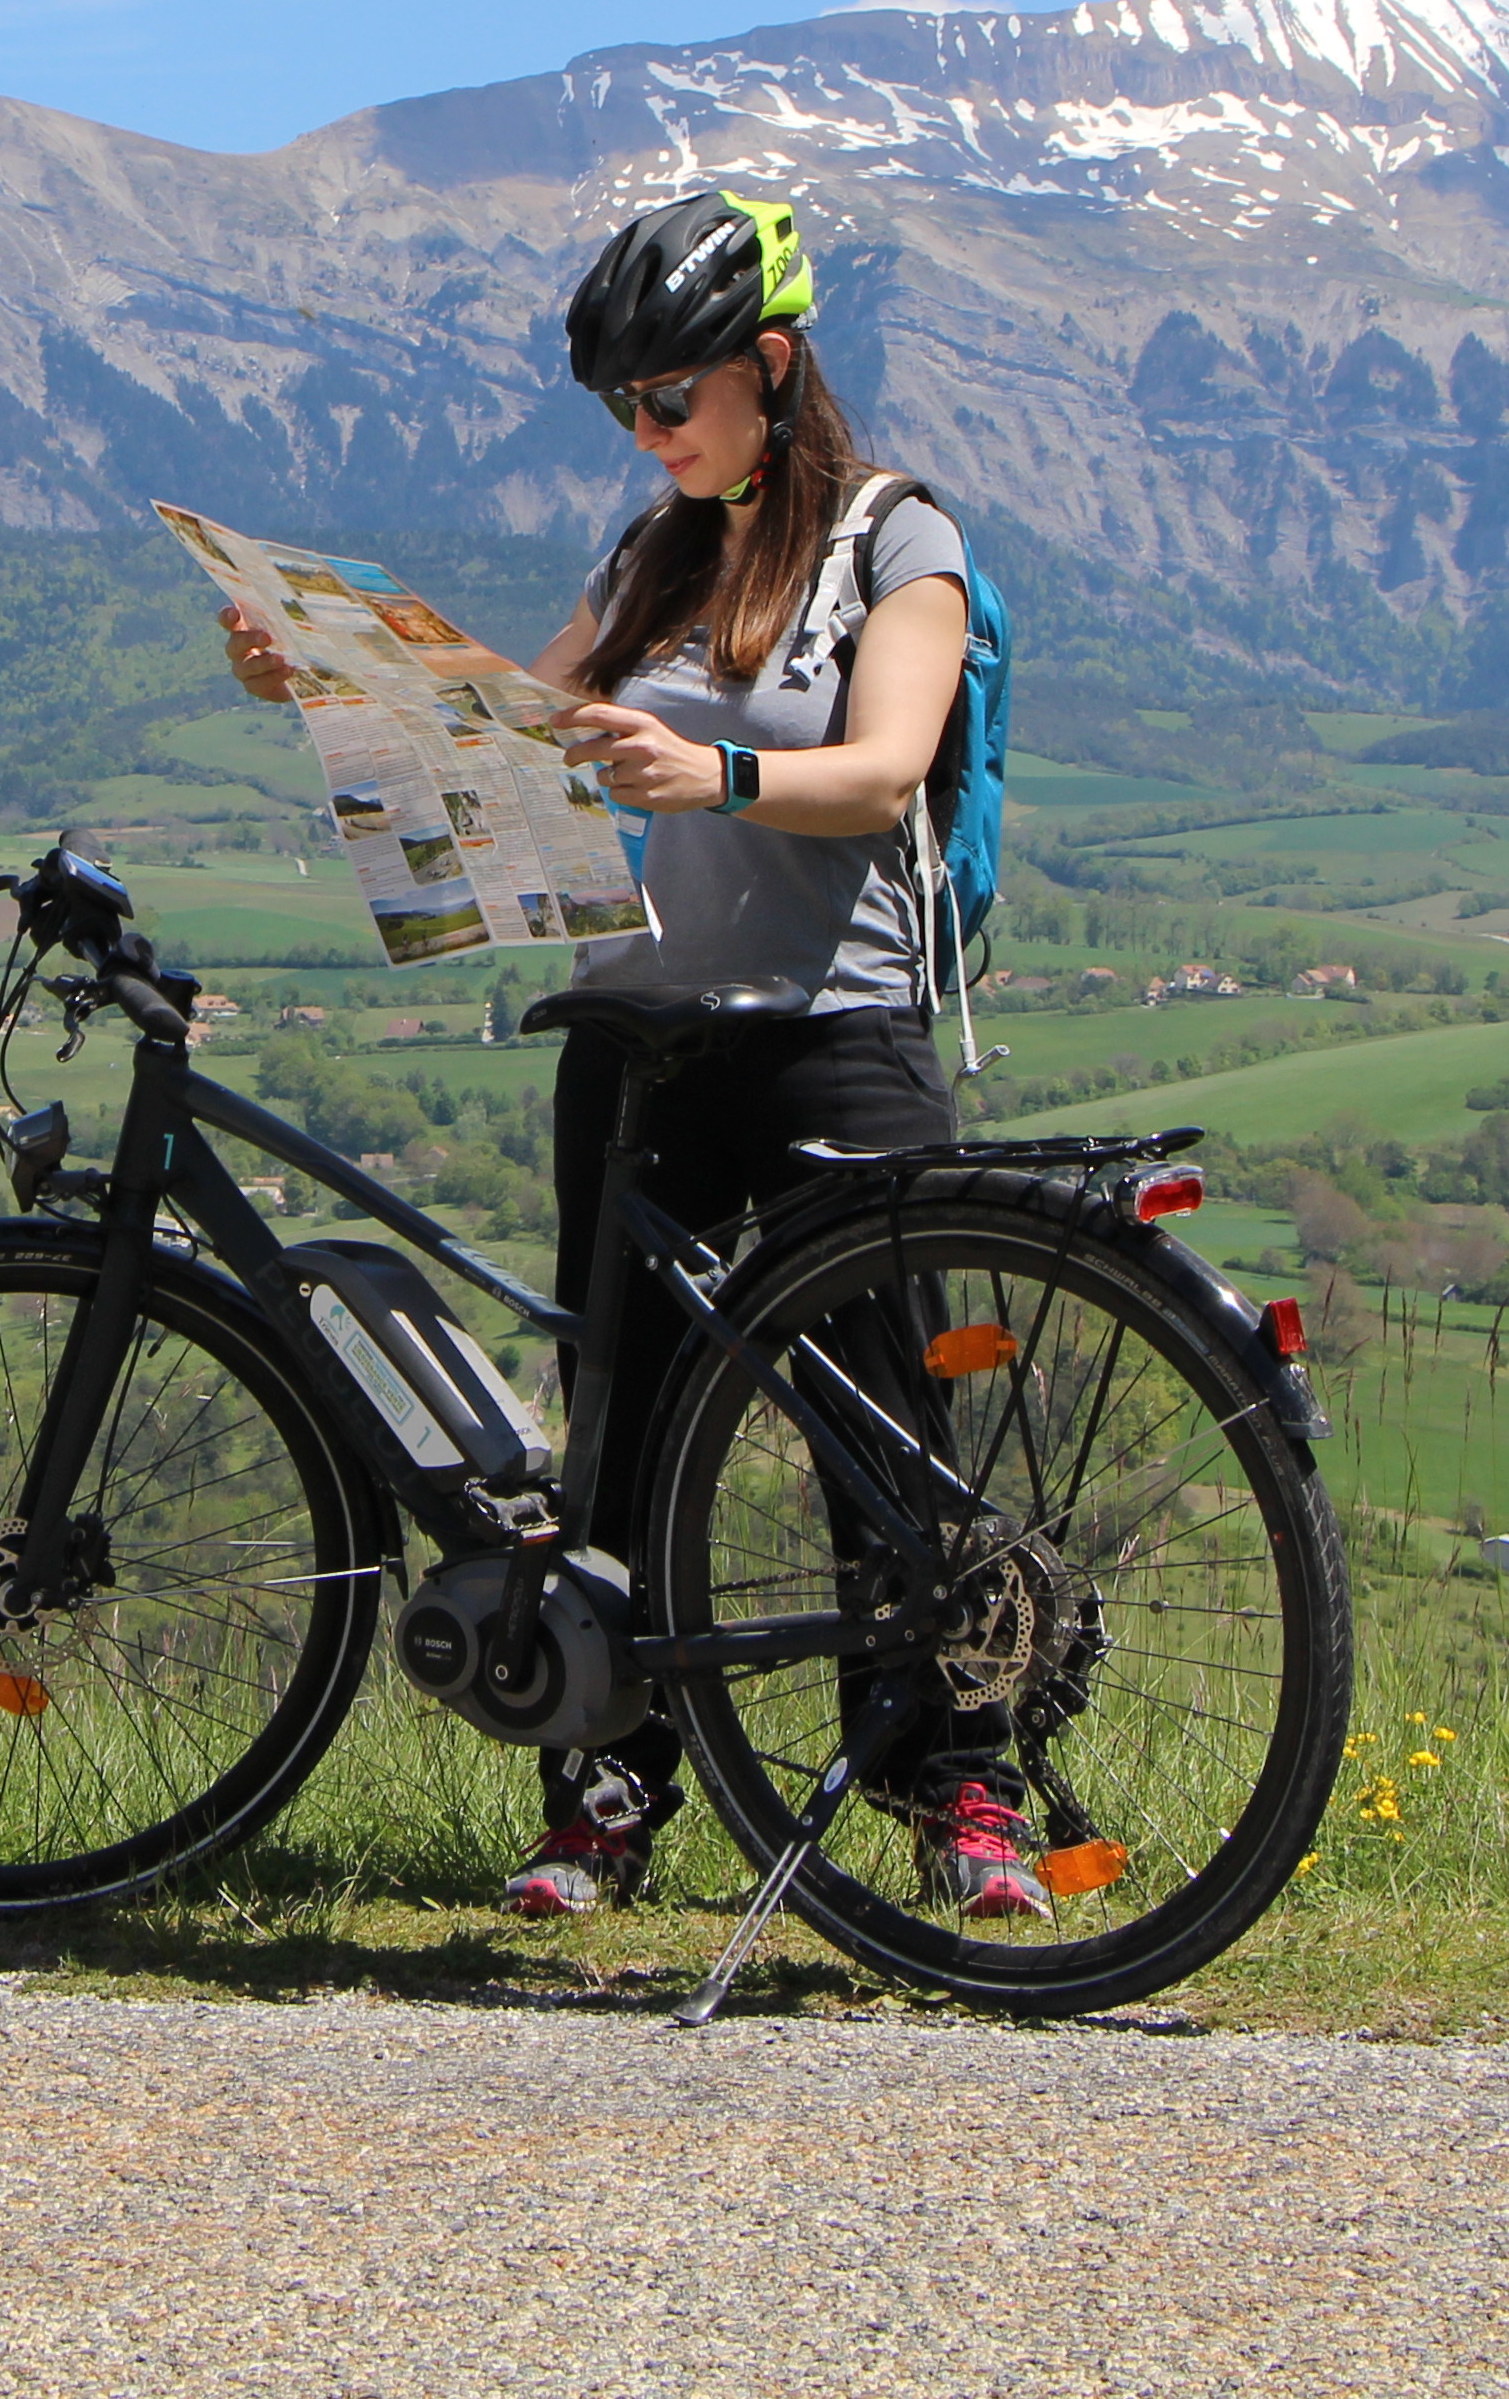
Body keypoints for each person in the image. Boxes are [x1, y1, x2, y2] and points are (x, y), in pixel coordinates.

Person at [222, 185, 1036, 1923]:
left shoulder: (902, 541)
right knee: (623, 1435)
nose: (650, 433)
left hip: (837, 1034)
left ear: (772, 363)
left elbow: (886, 769)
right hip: (643, 1046)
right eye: (626, 411)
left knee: (891, 1448)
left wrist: (721, 777)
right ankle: (604, 1793)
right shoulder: (649, 557)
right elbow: (501, 733)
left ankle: (960, 1798)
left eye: (673, 399)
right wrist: (309, 674)